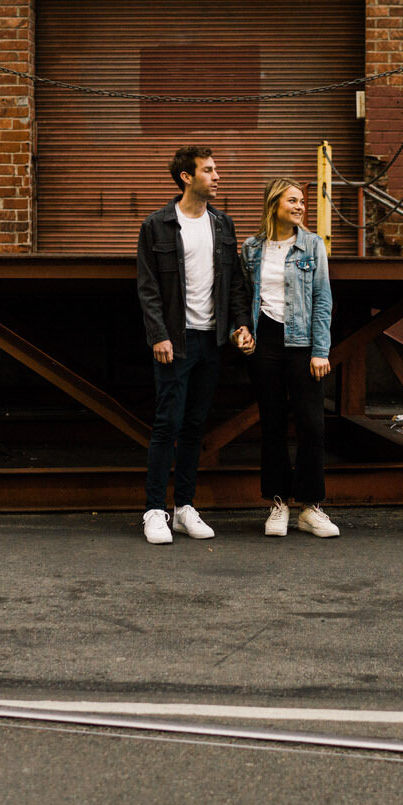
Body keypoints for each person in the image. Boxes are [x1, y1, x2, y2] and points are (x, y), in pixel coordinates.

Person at [135, 146, 255, 545]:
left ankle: (183, 507)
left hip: (211, 341)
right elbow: (148, 287)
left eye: (216, 169)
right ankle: (154, 511)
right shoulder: (157, 225)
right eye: (208, 170)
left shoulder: (223, 225)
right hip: (176, 341)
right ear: (186, 177)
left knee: (194, 426)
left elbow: (234, 283)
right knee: (167, 423)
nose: (217, 176)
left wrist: (239, 324)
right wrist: (159, 335)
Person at [241, 178, 338, 538]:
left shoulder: (312, 245)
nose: (300, 207)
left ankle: (311, 507)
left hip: (302, 345)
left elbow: (323, 300)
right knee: (273, 425)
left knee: (312, 425)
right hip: (265, 342)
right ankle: (278, 504)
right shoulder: (252, 248)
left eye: (302, 202)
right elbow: (242, 295)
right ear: (274, 204)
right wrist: (242, 329)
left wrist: (320, 350)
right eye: (292, 200)